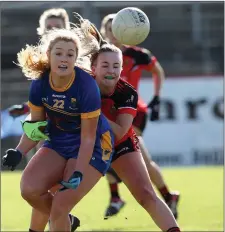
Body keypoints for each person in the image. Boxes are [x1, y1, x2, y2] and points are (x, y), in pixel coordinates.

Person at [21, 21, 181, 232]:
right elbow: (55, 90)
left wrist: (92, 113)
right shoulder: (80, 80)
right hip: (82, 144)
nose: (111, 71)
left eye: (116, 66)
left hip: (119, 144)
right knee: (52, 192)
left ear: (122, 69)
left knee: (145, 194)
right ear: (92, 68)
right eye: (105, 66)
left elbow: (120, 132)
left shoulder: (127, 93)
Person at [2, 26, 114, 232]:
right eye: (59, 53)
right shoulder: (40, 83)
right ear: (48, 55)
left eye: (70, 54)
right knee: (29, 190)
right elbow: (36, 126)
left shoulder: (86, 86)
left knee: (60, 205)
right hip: (58, 143)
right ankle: (66, 222)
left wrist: (79, 170)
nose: (64, 58)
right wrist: (19, 151)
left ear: (76, 58)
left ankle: (61, 218)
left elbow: (88, 138)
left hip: (94, 147)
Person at [100, 13, 180, 219]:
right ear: (105, 32)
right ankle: (167, 195)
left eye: (117, 29)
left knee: (120, 150)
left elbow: (157, 71)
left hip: (133, 112)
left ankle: (119, 197)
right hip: (109, 111)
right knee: (112, 151)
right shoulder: (100, 56)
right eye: (110, 30)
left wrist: (157, 96)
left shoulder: (137, 55)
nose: (115, 34)